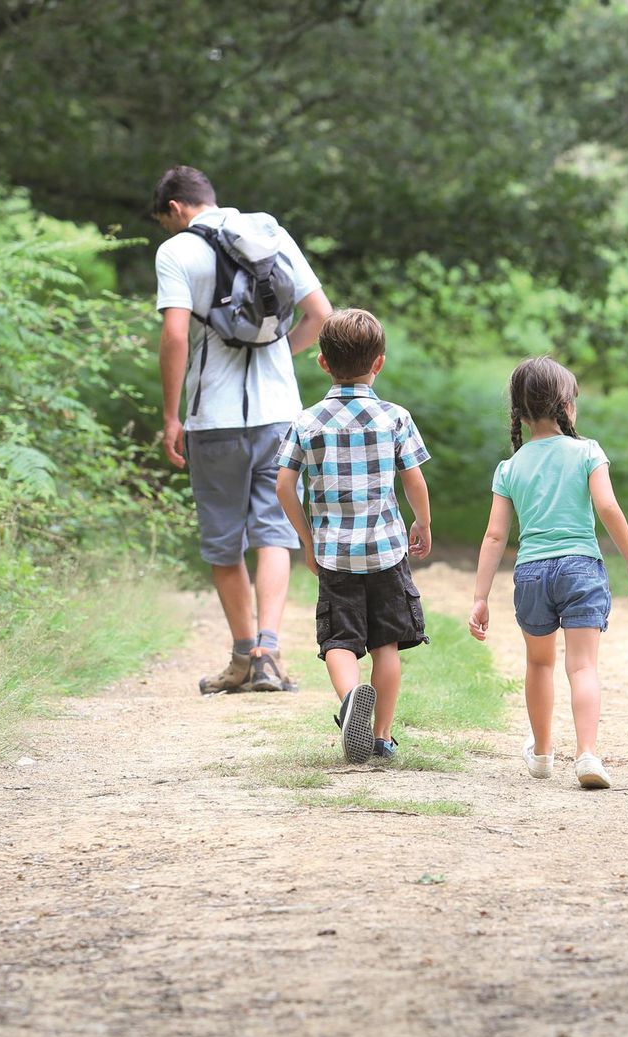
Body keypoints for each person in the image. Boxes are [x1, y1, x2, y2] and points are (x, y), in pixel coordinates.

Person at [153, 165, 332, 695]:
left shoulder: (177, 251)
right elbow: (321, 314)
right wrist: (279, 351)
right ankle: (269, 654)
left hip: (214, 419)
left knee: (224, 541)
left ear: (176, 209)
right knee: (274, 531)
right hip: (280, 413)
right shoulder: (269, 234)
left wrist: (171, 415)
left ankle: (240, 657)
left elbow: (175, 336)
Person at [468, 356, 628, 790]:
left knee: (539, 664)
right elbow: (607, 506)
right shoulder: (587, 451)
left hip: (531, 573)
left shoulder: (509, 468)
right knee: (582, 667)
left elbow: (495, 536)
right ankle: (587, 754)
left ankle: (544, 754)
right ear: (566, 406)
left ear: (519, 413)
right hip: (580, 568)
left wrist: (480, 596)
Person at [275, 308, 432, 764]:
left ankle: (349, 702)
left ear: (322, 362)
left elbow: (284, 484)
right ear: (379, 362)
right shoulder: (394, 418)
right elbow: (414, 480)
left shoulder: (307, 421)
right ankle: (381, 737)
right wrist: (421, 522)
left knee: (339, 641)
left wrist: (307, 540)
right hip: (385, 549)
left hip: (333, 553)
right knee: (386, 644)